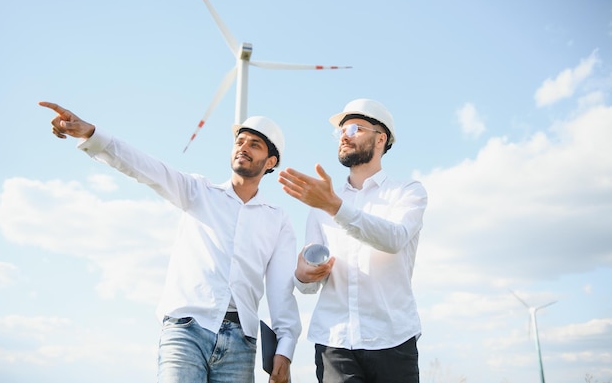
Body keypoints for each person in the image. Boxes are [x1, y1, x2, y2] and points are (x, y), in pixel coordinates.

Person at [39, 101, 301, 383]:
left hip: (242, 342)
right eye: (240, 141)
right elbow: (144, 167)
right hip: (186, 330)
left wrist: (285, 349)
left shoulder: (278, 219)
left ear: (271, 162)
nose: (243, 147)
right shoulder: (198, 191)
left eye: (255, 144)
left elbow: (281, 291)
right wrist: (92, 133)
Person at [278, 98, 428, 383]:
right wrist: (303, 275)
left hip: (393, 339)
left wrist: (335, 207)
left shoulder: (408, 191)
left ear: (380, 138)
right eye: (341, 131)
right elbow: (307, 284)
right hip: (335, 342)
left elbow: (394, 238)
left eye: (355, 129)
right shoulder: (321, 203)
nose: (344, 137)